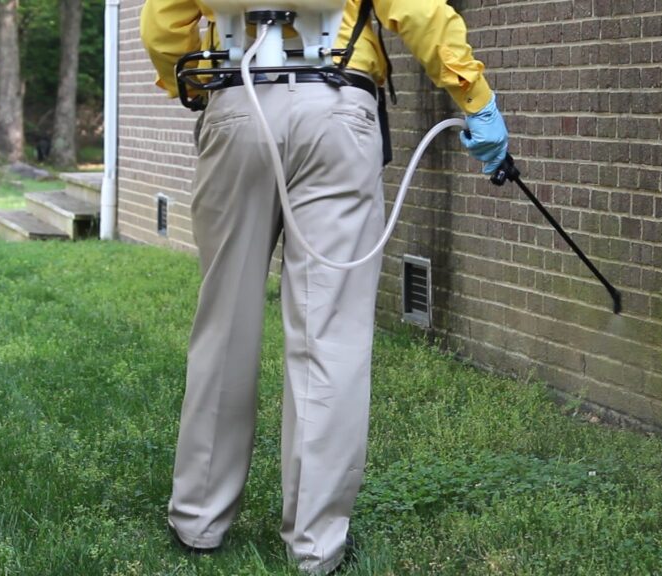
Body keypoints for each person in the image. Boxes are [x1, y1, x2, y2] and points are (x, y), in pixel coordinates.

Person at [140, 0, 508, 573]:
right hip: (337, 105)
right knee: (328, 333)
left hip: (236, 103)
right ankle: (315, 546)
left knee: (223, 326)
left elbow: (162, 24)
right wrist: (475, 98)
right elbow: (419, 12)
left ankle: (198, 522)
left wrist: (189, 81)